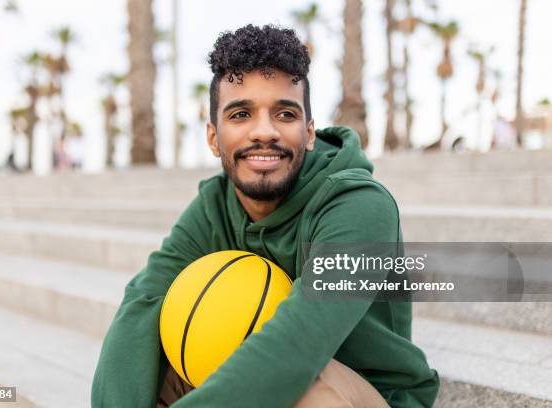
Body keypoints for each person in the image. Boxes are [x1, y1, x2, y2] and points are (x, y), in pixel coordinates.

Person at [92, 24, 439, 407]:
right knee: (153, 361)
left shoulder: (359, 206)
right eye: (241, 114)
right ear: (213, 137)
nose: (264, 132)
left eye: (284, 114)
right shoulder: (215, 205)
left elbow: (300, 342)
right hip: (261, 375)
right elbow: (144, 299)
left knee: (310, 395)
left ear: (308, 132)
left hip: (363, 392)